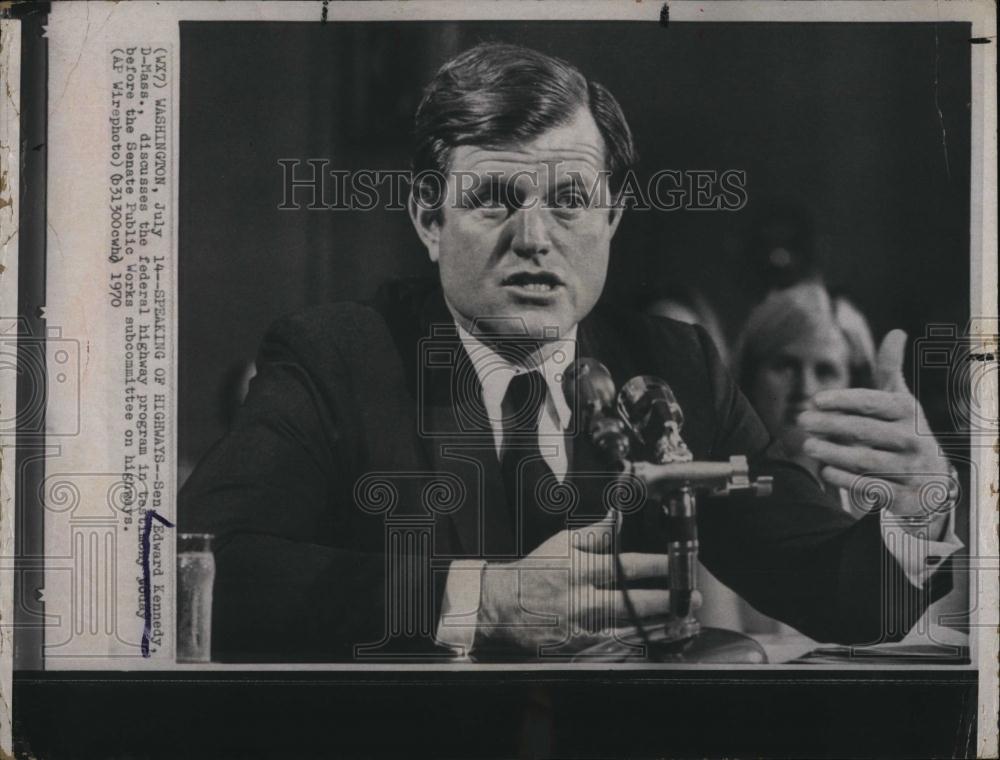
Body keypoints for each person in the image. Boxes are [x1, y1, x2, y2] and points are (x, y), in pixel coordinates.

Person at [180, 43, 960, 662]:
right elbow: (206, 569)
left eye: (570, 201)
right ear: (427, 217)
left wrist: (919, 514)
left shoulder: (676, 365)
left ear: (613, 217)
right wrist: (479, 602)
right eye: (494, 199)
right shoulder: (335, 357)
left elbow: (829, 591)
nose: (535, 240)